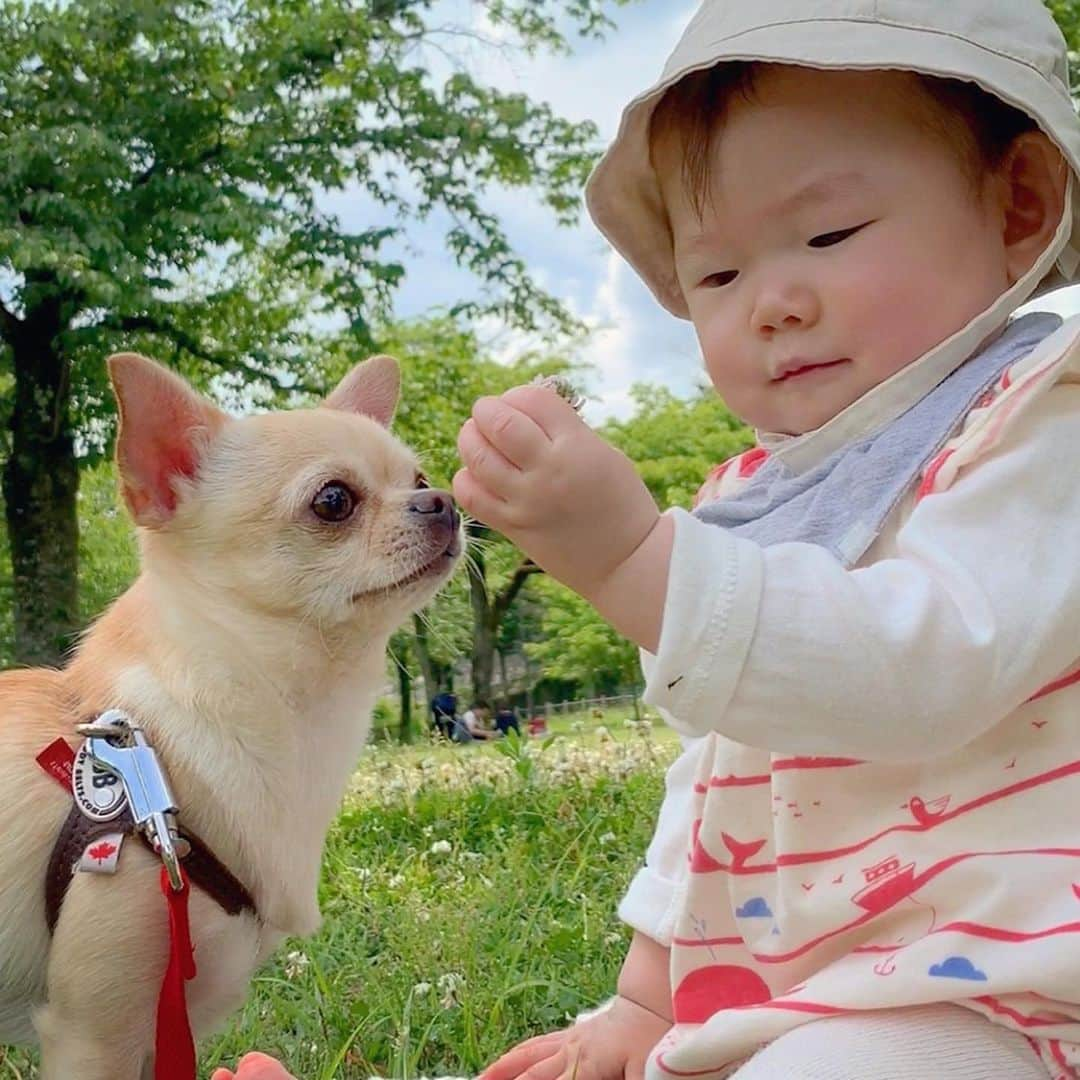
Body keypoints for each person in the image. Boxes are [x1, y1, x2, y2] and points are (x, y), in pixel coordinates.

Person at [211, 2, 1080, 1078]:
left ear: (1020, 204)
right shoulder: (768, 493)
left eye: (829, 235)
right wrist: (641, 997)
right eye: (717, 275)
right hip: (808, 997)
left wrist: (633, 560)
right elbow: (725, 772)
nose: (774, 303)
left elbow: (920, 668)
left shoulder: (1043, 426)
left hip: (1012, 1000)